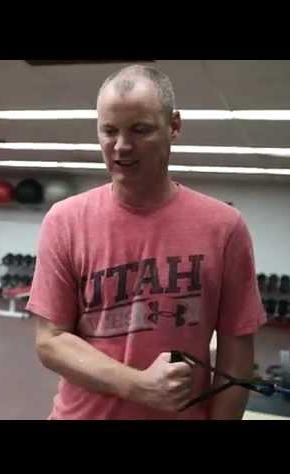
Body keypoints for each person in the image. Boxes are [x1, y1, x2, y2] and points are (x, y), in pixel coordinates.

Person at [26, 64, 266, 420]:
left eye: (140, 130)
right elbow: (50, 341)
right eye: (109, 131)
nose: (121, 147)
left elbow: (237, 353)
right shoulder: (65, 221)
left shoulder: (224, 228)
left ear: (174, 126)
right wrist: (138, 385)